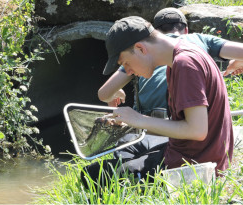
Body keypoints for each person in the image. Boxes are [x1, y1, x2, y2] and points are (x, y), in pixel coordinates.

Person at [81, 15, 234, 189]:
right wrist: (132, 124)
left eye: (126, 63)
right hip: (193, 153)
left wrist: (139, 119)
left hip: (194, 167)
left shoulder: (185, 64)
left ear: (140, 48)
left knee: (91, 174)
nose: (128, 71)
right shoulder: (179, 57)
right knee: (128, 148)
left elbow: (197, 130)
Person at [99, 7, 243, 115]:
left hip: (156, 124)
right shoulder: (199, 39)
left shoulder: (144, 54)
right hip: (193, 123)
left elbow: (104, 94)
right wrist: (239, 61)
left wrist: (116, 92)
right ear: (186, 30)